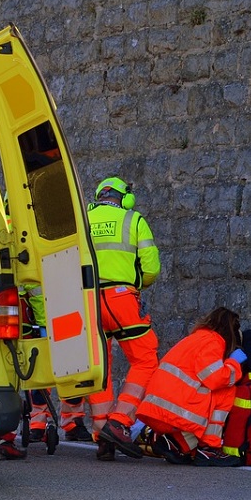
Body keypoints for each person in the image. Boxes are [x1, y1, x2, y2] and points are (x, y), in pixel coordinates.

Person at [86, 177, 161, 461]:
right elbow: (151, 267)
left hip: (88, 300)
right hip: (122, 300)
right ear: (125, 198)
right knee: (145, 359)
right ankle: (119, 421)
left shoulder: (84, 219)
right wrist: (138, 284)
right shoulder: (133, 219)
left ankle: (102, 430)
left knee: (99, 365)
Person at [136, 307, 245, 467]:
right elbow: (215, 379)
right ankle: (208, 448)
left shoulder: (196, 338)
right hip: (172, 414)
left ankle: (176, 444)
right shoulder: (214, 342)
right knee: (227, 389)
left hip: (157, 411)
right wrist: (234, 363)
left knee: (210, 394)